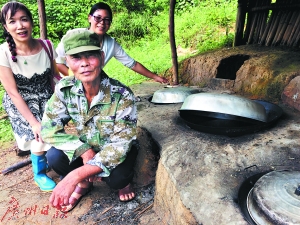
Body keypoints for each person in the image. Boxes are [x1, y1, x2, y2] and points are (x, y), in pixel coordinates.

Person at [41, 29, 138, 213]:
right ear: (67, 62)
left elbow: (121, 145)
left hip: (113, 153)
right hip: (86, 148)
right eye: (76, 58)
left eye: (90, 56)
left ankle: (117, 183)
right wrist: (84, 151)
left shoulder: (122, 95)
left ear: (101, 57)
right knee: (54, 157)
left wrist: (74, 176)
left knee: (118, 178)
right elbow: (48, 129)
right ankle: (85, 184)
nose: (84, 64)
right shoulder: (64, 89)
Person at [0, 2, 56, 191]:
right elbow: (13, 92)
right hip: (20, 102)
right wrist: (33, 122)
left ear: (31, 22)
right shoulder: (3, 53)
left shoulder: (47, 46)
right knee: (38, 135)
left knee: (53, 134)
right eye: (13, 21)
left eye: (24, 19)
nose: (20, 26)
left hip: (46, 97)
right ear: (6, 27)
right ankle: (39, 173)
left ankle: (48, 160)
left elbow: (54, 77)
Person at [55, 2, 168, 84]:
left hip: (91, 84)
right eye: (98, 18)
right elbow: (57, 62)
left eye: (106, 19)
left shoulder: (110, 43)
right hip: (67, 82)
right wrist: (76, 78)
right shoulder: (74, 36)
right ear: (89, 18)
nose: (102, 23)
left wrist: (155, 77)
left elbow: (132, 64)